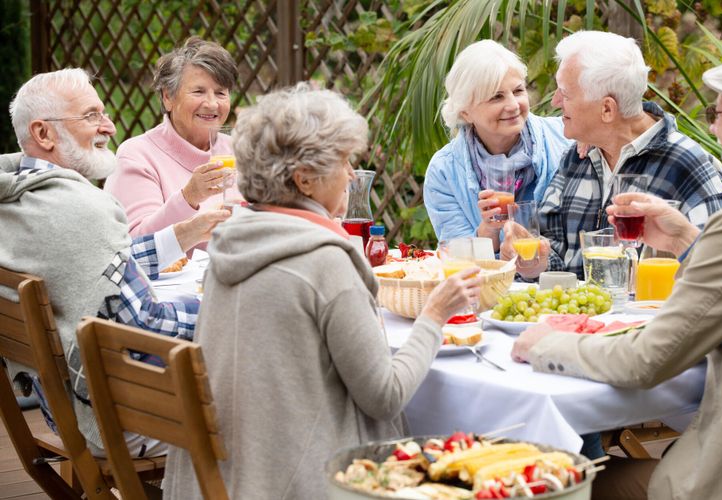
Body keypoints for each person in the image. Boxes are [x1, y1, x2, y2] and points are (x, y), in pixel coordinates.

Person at [162, 83, 481, 498]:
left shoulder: (232, 244)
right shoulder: (325, 261)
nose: (351, 174)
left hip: (229, 481)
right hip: (314, 482)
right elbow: (385, 397)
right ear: (305, 180)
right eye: (343, 161)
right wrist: (434, 315)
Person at [512, 54, 722, 500]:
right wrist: (686, 238)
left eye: (718, 113)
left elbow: (647, 359)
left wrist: (545, 344)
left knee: (546, 481)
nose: (714, 128)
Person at [0, 68, 229, 456]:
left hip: (61, 405)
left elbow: (100, 265)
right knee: (278, 398)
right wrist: (230, 305)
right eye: (91, 115)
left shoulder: (22, 196)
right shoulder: (82, 207)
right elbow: (148, 321)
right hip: (114, 419)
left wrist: (184, 234)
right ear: (43, 134)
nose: (108, 125)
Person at [504, 31, 722, 280]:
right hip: (575, 315)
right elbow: (554, 253)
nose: (556, 101)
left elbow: (719, 272)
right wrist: (536, 262)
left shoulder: (688, 165)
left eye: (565, 94)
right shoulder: (577, 158)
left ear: (607, 109)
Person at [424, 39, 572, 256]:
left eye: (518, 91)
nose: (513, 105)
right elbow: (459, 262)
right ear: (465, 112)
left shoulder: (567, 139)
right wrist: (488, 231)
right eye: (496, 97)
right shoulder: (443, 172)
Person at [104, 37, 238, 242]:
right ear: (168, 97)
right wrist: (189, 197)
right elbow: (135, 242)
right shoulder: (137, 155)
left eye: (220, 93)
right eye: (198, 91)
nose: (212, 104)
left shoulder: (238, 150)